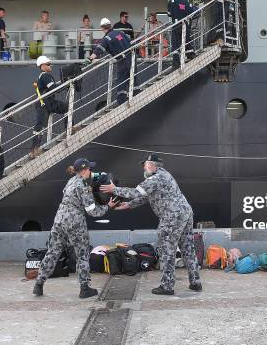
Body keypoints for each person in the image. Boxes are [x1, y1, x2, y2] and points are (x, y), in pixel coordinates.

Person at [100, 154, 202, 296]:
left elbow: (135, 192)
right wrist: (128, 205)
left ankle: (167, 286)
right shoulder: (164, 175)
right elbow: (146, 196)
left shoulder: (155, 178)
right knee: (188, 248)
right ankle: (195, 282)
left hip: (171, 217)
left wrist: (114, 189)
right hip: (185, 213)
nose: (143, 167)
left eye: (145, 164)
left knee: (167, 250)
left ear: (153, 165)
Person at [33, 158, 118, 298]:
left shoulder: (71, 181)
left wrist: (100, 175)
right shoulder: (84, 186)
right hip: (75, 221)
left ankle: (39, 284)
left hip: (59, 219)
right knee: (82, 254)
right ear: (84, 170)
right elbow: (92, 211)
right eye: (89, 168)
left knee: (53, 252)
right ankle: (84, 288)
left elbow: (91, 176)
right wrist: (108, 206)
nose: (91, 170)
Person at [31, 56, 78, 158]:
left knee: (40, 126)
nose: (50, 65)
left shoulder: (41, 76)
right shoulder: (46, 76)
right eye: (48, 64)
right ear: (42, 66)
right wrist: (66, 85)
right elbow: (53, 88)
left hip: (44, 102)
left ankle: (34, 150)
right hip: (46, 103)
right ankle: (69, 128)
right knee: (40, 126)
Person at [86, 18, 132, 105]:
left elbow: (98, 50)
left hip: (122, 61)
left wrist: (89, 59)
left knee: (121, 81)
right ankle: (135, 95)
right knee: (133, 78)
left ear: (102, 28)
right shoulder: (120, 33)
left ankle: (122, 102)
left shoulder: (107, 38)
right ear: (110, 26)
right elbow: (130, 41)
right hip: (131, 58)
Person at [168, 0, 197, 68]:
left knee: (175, 44)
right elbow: (192, 14)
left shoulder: (172, 1)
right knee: (186, 41)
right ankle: (191, 55)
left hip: (177, 25)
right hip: (186, 25)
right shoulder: (188, 4)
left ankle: (176, 63)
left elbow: (169, 14)